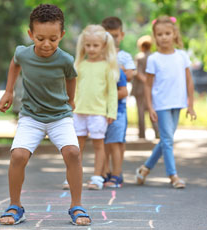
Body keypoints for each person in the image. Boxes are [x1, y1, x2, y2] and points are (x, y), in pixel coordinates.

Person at [0, 4, 91, 226]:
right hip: (31, 116)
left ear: (62, 35)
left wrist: (71, 99)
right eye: (40, 38)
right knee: (18, 156)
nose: (46, 44)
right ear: (31, 34)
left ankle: (76, 205)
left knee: (73, 153)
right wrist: (9, 91)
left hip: (60, 116)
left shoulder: (65, 59)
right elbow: (15, 63)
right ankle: (15, 205)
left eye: (53, 39)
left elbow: (71, 78)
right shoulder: (23, 53)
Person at [135, 16, 197, 189]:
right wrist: (150, 105)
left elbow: (189, 81)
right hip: (161, 104)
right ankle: (173, 176)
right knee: (168, 141)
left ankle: (145, 169)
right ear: (155, 37)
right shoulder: (154, 59)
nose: (164, 37)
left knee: (165, 141)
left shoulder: (182, 56)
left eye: (167, 33)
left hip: (177, 103)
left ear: (174, 34)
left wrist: (190, 104)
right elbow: (148, 85)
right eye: (160, 34)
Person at [67, 25, 119, 190]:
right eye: (88, 45)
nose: (91, 48)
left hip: (98, 113)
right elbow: (72, 89)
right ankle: (73, 176)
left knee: (98, 145)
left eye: (95, 45)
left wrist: (111, 111)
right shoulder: (79, 65)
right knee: (76, 147)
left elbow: (112, 92)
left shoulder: (107, 66)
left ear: (103, 46)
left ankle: (97, 177)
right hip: (78, 111)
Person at [100, 16, 136, 187]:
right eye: (107, 36)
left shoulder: (124, 56)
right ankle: (105, 172)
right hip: (100, 106)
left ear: (121, 35)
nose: (111, 40)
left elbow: (129, 74)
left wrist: (116, 67)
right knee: (104, 141)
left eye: (114, 35)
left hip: (118, 107)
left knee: (116, 141)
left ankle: (117, 174)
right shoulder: (99, 55)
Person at [132, 35, 159, 139]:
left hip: (140, 89)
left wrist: (146, 82)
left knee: (141, 113)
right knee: (152, 110)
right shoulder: (154, 56)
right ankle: (157, 132)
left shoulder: (139, 57)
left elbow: (138, 73)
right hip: (152, 89)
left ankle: (142, 134)